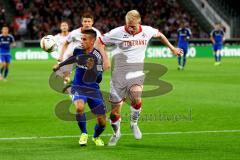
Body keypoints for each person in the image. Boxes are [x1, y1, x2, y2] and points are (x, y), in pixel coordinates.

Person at [99, 10, 183, 146]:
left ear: (139, 22)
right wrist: (105, 59)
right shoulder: (117, 32)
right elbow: (99, 41)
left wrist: (172, 48)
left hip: (136, 73)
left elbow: (160, 35)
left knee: (136, 96)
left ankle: (133, 123)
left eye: (133, 26)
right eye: (128, 25)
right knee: (114, 113)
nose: (130, 28)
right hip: (118, 75)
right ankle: (116, 133)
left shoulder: (147, 31)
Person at [53, 29, 106, 146]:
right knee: (79, 107)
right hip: (78, 86)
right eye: (81, 38)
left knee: (102, 122)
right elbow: (73, 59)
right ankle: (84, 133)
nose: (81, 41)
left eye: (84, 39)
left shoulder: (97, 56)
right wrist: (60, 65)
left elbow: (99, 79)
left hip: (93, 89)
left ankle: (96, 137)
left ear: (92, 41)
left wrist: (92, 69)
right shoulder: (78, 50)